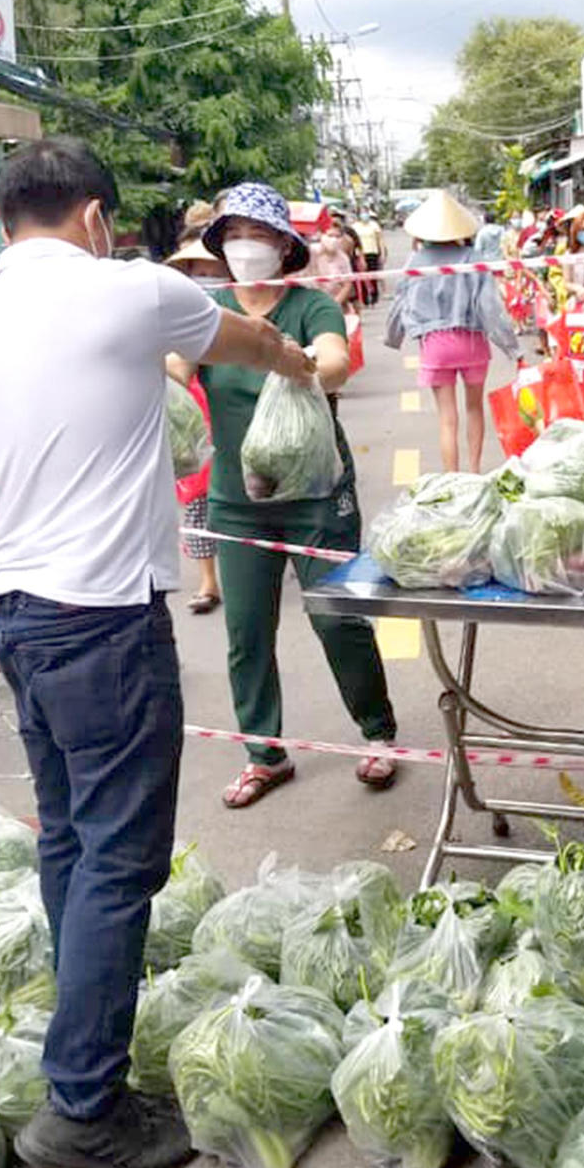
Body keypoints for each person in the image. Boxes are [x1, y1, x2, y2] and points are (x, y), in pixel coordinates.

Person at [0, 138, 315, 1168]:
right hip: (101, 617)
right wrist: (296, 365)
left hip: (17, 609)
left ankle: (80, 1053)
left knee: (69, 837)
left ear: (6, 216)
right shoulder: (131, 291)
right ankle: (84, 1105)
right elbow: (243, 338)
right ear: (96, 215)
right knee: (117, 856)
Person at [182, 183, 399, 806]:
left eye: (259, 234)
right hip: (236, 500)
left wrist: (296, 362)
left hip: (315, 496)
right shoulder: (207, 309)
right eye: (235, 235)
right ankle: (264, 754)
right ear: (220, 246)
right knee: (247, 632)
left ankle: (379, 735)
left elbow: (334, 363)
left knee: (340, 622)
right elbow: (176, 364)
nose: (247, 246)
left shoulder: (309, 308)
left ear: (284, 244)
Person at [387, 189, 519, 473]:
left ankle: (452, 477)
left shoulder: (416, 261)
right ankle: (474, 471)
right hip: (471, 342)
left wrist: (393, 337)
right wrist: (512, 347)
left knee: (447, 419)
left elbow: (401, 302)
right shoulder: (473, 257)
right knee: (474, 409)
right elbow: (490, 308)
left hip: (435, 345)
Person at [165, 218, 232, 615]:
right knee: (197, 498)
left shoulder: (238, 312)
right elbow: (176, 367)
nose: (205, 279)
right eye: (197, 273)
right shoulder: (174, 315)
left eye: (212, 272)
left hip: (228, 412)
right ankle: (209, 581)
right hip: (191, 411)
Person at [352, 210, 385, 307]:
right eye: (362, 213)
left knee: (373, 276)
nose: (364, 215)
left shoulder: (374, 226)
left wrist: (382, 253)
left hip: (373, 252)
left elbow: (380, 240)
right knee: (362, 277)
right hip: (360, 254)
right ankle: (365, 298)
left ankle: (374, 297)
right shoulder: (355, 227)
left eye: (365, 213)